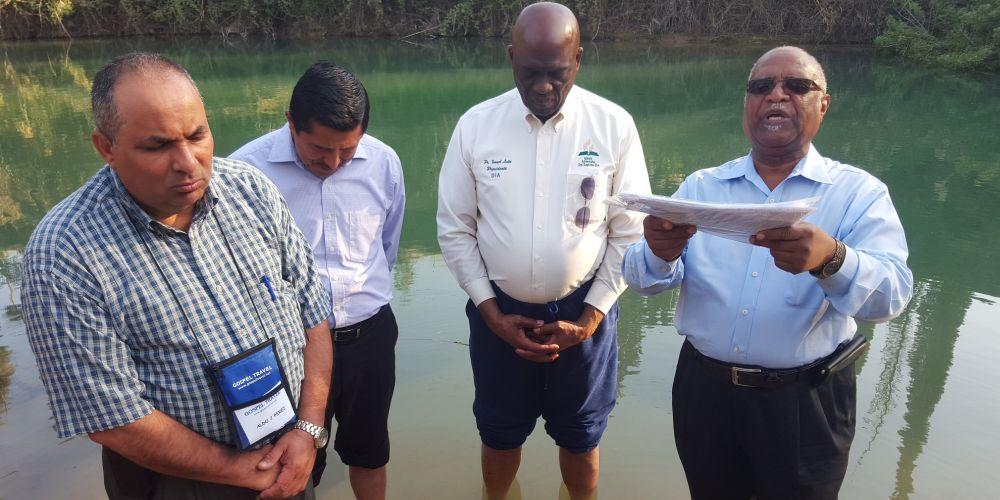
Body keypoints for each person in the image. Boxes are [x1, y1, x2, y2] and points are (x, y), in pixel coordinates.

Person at [21, 53, 333, 500]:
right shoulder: (65, 254)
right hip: (176, 484)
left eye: (197, 135)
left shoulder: (251, 190)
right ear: (106, 147)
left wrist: (308, 430)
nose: (188, 162)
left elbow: (313, 312)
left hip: (289, 457)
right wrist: (241, 471)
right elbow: (111, 416)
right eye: (158, 146)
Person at [621, 46, 913, 499]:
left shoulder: (859, 192)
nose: (776, 96)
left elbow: (892, 298)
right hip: (705, 394)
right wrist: (659, 253)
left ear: (824, 103)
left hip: (806, 404)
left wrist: (831, 259)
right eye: (761, 87)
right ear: (746, 103)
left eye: (797, 86)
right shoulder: (703, 186)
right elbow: (642, 281)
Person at [436, 3, 651, 498]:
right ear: (511, 58)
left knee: (581, 437)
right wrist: (489, 310)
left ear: (579, 60)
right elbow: (454, 229)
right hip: (498, 313)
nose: (542, 87)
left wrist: (592, 319)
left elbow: (628, 232)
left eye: (557, 73)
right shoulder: (476, 126)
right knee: (498, 430)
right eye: (529, 72)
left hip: (584, 313)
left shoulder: (613, 126)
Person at [231, 62, 404, 500]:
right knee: (288, 459)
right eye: (320, 149)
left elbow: (387, 246)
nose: (333, 162)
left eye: (346, 151)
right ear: (291, 123)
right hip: (289, 346)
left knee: (370, 451)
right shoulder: (245, 175)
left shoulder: (383, 163)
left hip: (370, 335)